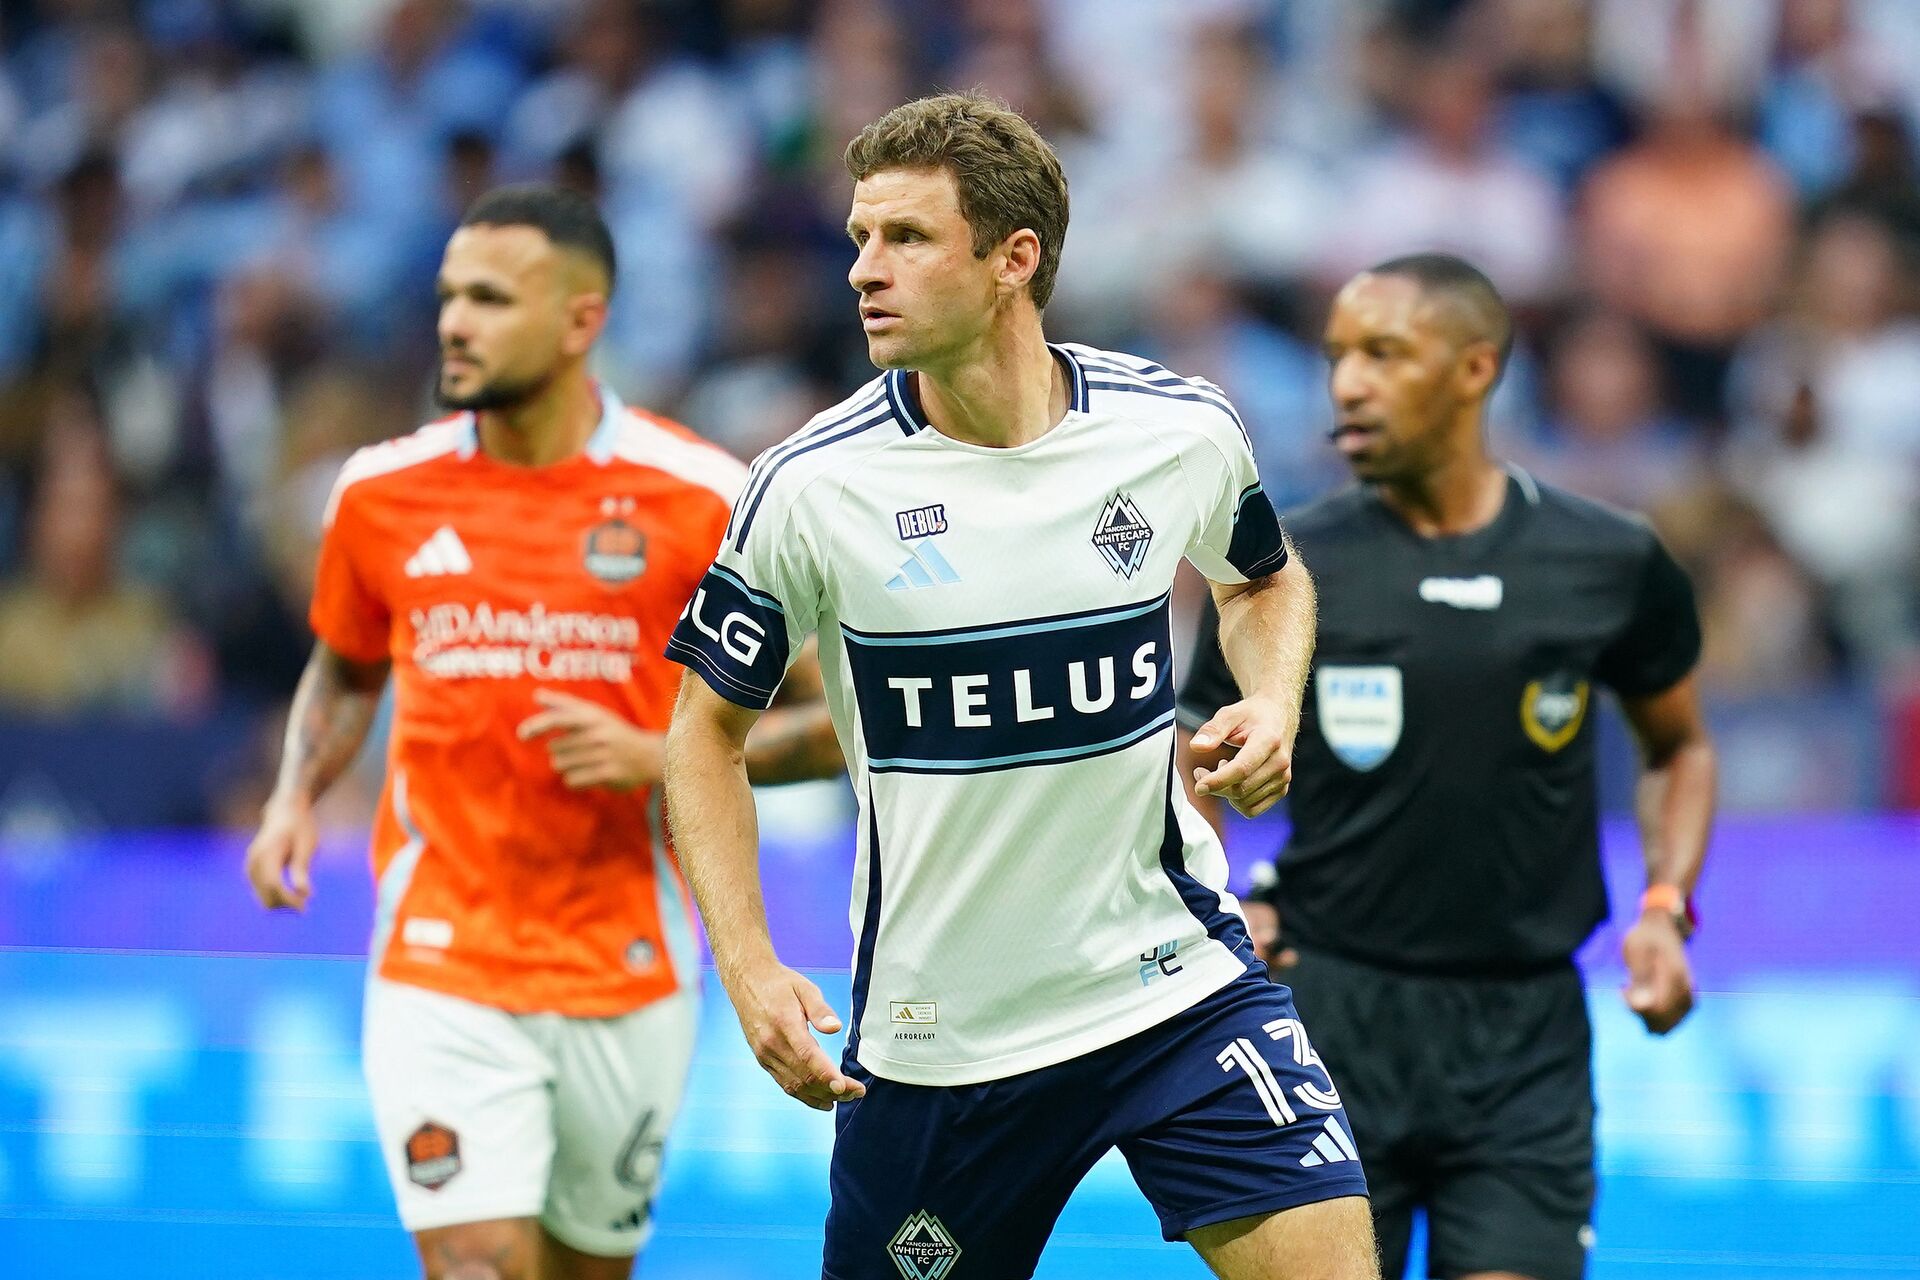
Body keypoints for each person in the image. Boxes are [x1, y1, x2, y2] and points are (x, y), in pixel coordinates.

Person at [661, 93, 1378, 1280]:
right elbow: (703, 734)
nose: (862, 271)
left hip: (1175, 985)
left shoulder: (1176, 432)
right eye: (858, 238)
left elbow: (1263, 580)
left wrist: (1274, 699)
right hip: (943, 1037)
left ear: (1014, 258)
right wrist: (746, 966)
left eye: (904, 238)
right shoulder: (811, 485)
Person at [242, 183, 841, 1280]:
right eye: (447, 296)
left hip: (628, 963)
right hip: (442, 954)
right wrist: (293, 792)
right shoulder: (379, 493)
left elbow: (841, 717)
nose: (454, 322)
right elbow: (345, 663)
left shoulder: (698, 496)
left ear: (581, 320)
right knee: (475, 1264)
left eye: (490, 298)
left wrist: (662, 751)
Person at [1177, 253, 1717, 1280]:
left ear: (1476, 369)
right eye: (1338, 355)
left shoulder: (1605, 558)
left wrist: (1665, 903)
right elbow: (1192, 748)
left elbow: (1679, 743)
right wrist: (1220, 894)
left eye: (1385, 353)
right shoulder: (1286, 569)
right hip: (1329, 1014)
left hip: (1524, 1034)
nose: (1347, 382)